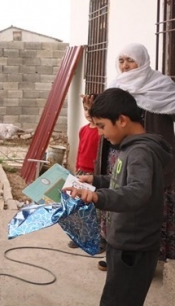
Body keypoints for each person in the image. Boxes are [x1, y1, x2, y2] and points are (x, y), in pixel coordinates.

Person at [96, 42, 175, 269]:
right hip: (119, 157)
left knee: (153, 206)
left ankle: (151, 258)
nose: (125, 66)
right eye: (121, 61)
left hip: (153, 160)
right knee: (121, 202)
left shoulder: (160, 85)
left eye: (130, 60)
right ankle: (116, 251)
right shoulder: (115, 86)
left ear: (142, 61)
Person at [64, 87, 172, 306]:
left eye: (102, 126)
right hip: (123, 242)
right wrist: (95, 180)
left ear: (122, 120)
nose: (99, 132)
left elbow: (137, 192)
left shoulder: (141, 152)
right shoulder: (129, 148)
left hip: (133, 247)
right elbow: (121, 180)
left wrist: (97, 197)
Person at [67, 93, 101, 250]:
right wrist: (76, 168)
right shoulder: (83, 130)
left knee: (95, 209)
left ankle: (98, 239)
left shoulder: (102, 133)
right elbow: (80, 150)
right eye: (86, 109)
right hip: (81, 173)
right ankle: (80, 236)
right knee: (79, 206)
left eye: (91, 109)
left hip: (95, 175)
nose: (88, 113)